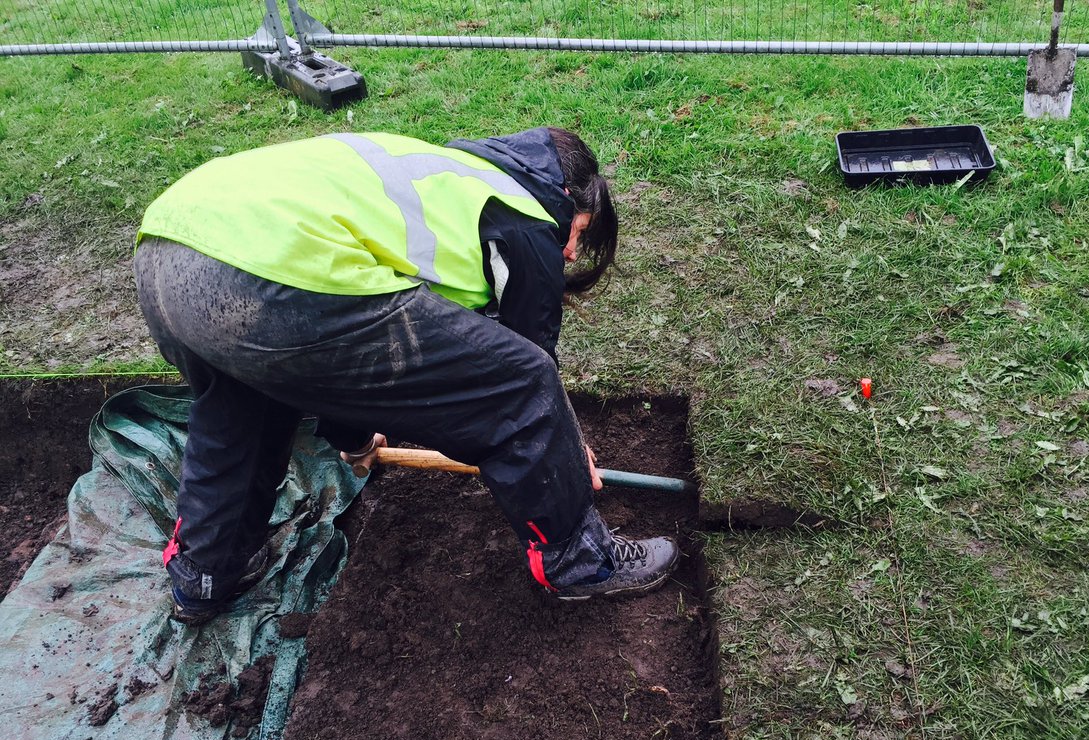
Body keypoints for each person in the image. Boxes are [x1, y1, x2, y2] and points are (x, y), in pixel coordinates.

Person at [133, 127, 680, 625]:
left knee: (244, 403)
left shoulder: (449, 172)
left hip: (170, 249)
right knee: (524, 382)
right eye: (579, 231)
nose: (570, 249)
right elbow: (527, 367)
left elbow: (339, 350)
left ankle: (206, 575)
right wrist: (564, 444)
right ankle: (581, 561)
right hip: (274, 278)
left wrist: (353, 438)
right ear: (565, 197)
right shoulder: (524, 212)